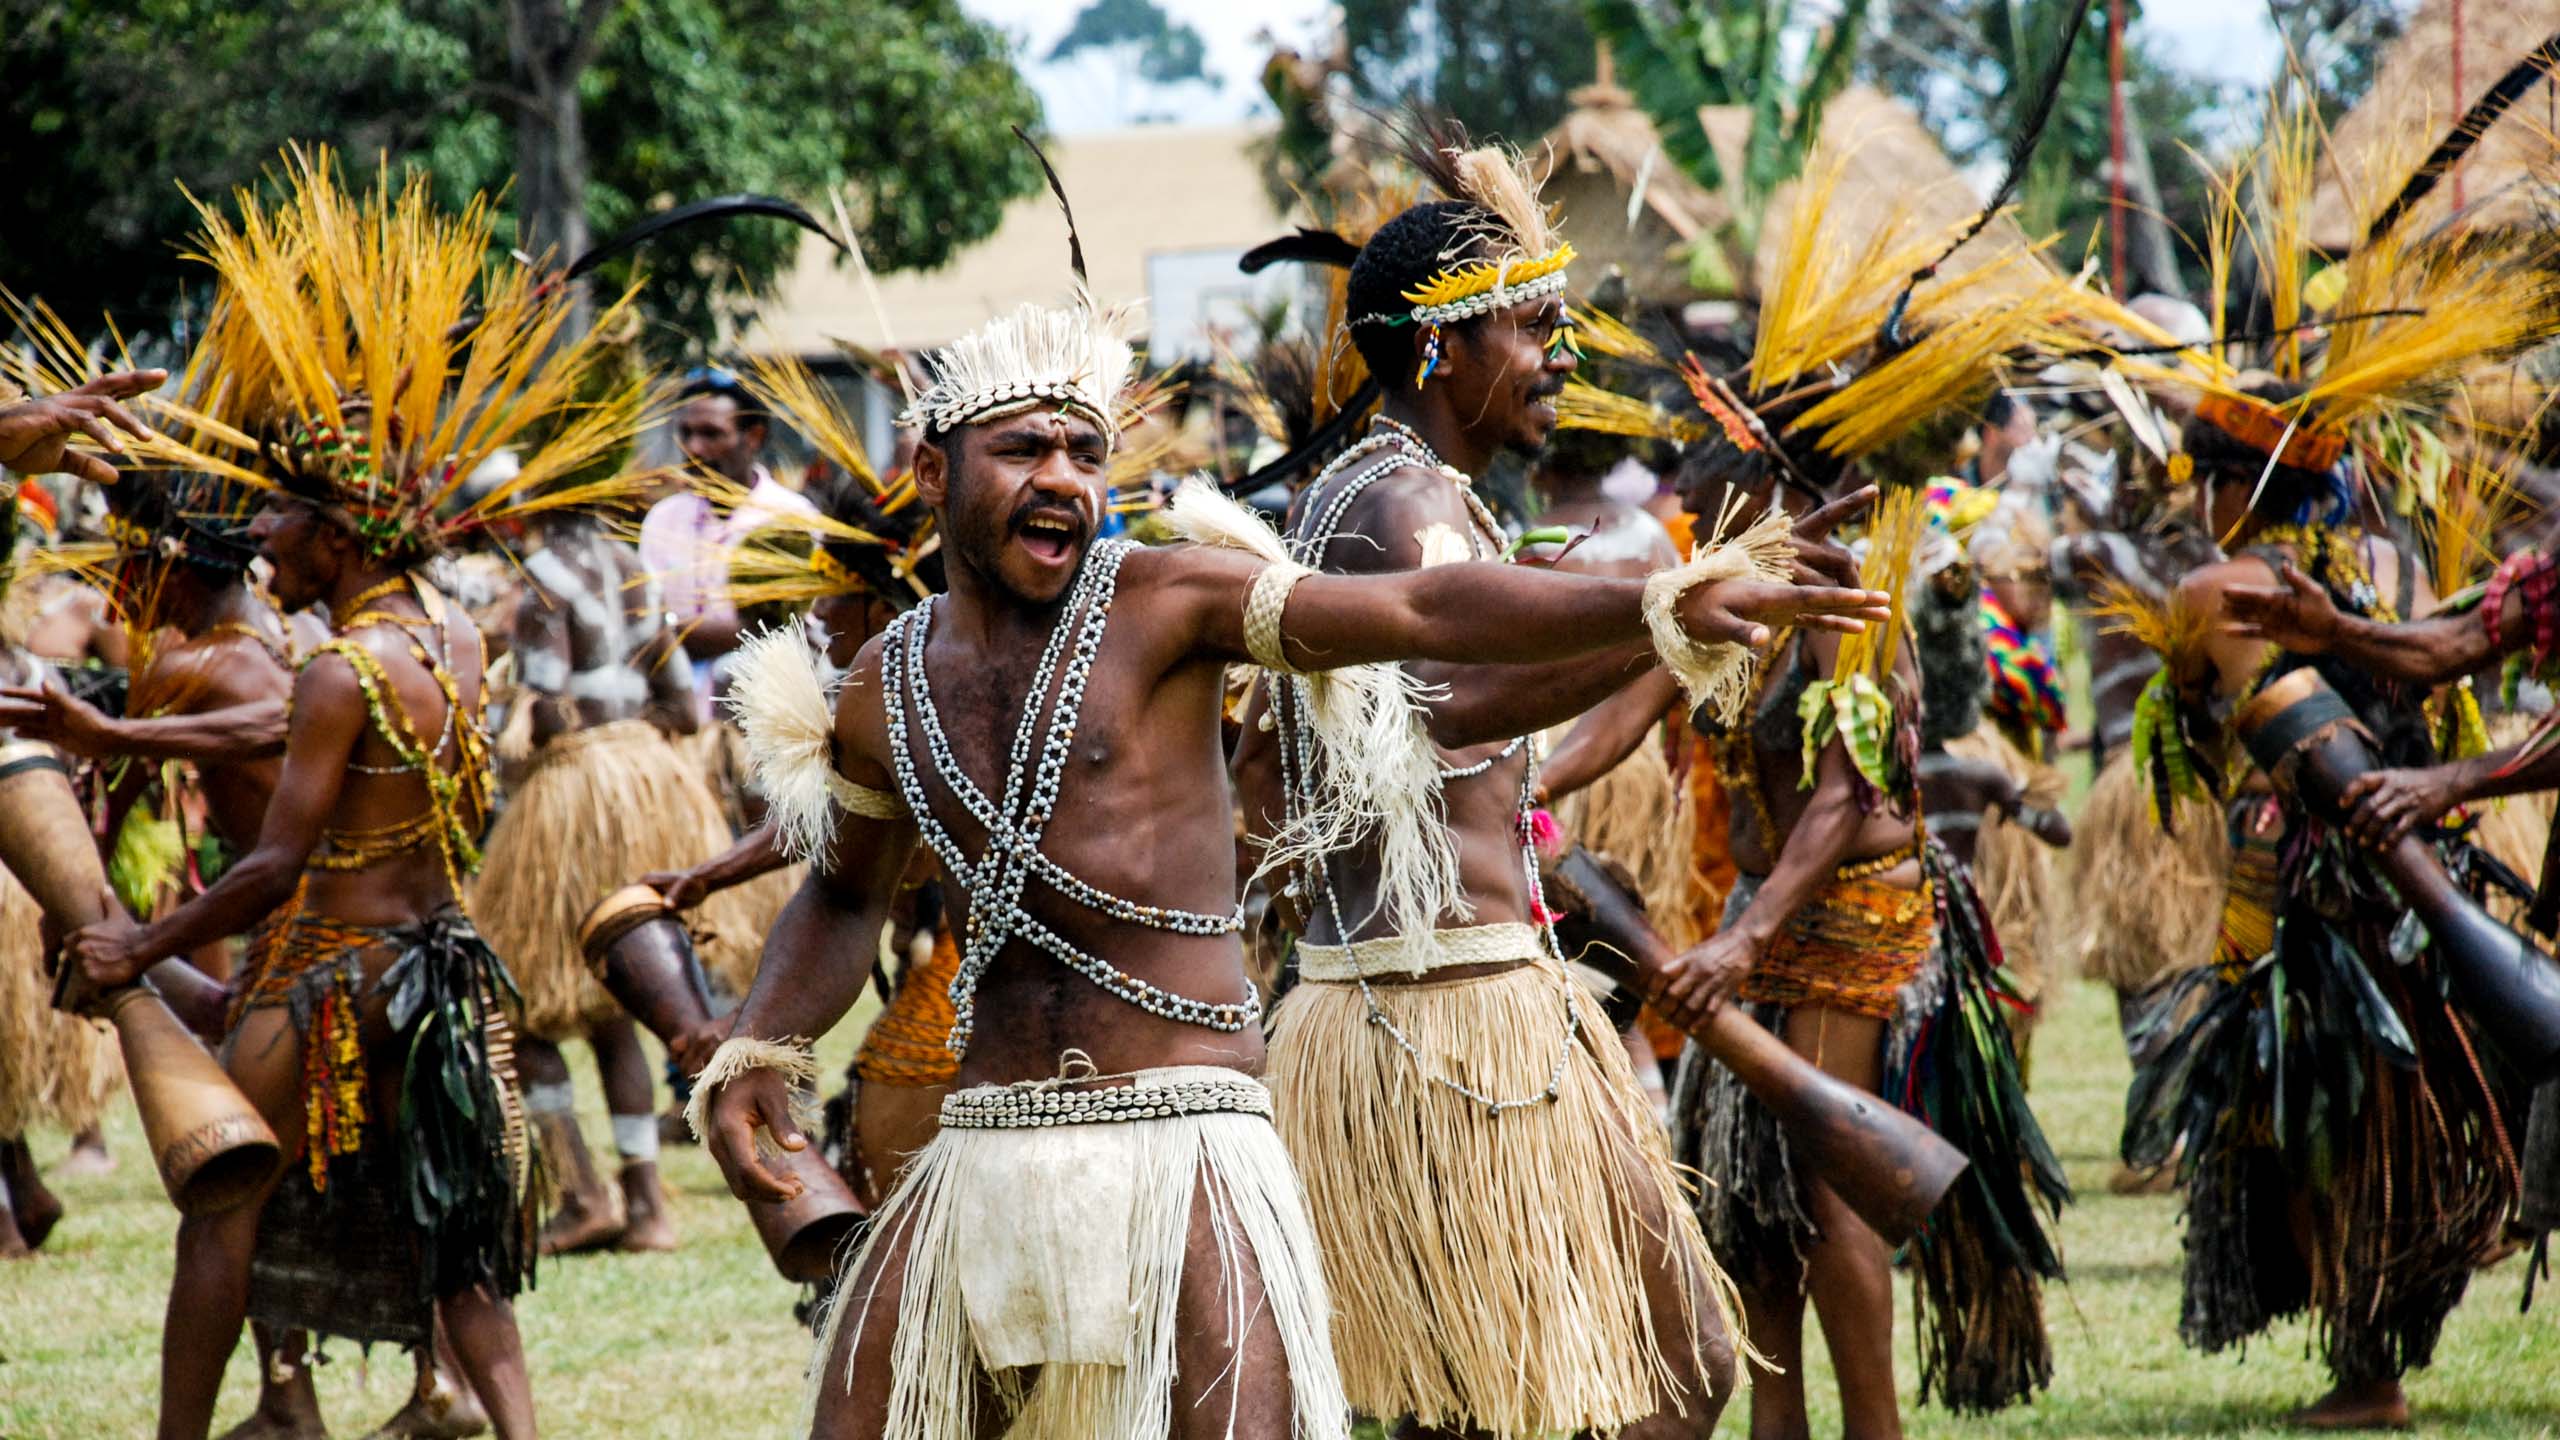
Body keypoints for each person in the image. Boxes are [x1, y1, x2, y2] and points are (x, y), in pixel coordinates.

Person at [691, 290, 1888, 1440]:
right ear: (931, 472)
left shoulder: (1164, 601)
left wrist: (1659, 597)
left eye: (1082, 452)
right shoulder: (880, 688)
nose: (1062, 477)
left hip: (1191, 1137)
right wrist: (759, 1042)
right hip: (986, 1140)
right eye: (1022, 451)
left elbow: (1422, 614)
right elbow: (844, 891)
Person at [58, 151, 663, 1440]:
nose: (263, 539)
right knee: (451, 1224)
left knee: (222, 1207)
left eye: (280, 518)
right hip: (439, 969)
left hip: (326, 970)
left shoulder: (337, 668)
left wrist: (140, 941)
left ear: (338, 535)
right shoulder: (455, 637)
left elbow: (275, 867)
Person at [1229, 133, 1776, 1440]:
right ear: (1441, 351)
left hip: (1467, 997)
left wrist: (1666, 625)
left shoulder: (1411, 494)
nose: (1564, 358)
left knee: (1622, 1372)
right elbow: (1459, 705)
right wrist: (1663, 615)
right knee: (1633, 1374)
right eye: (1535, 328)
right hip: (1434, 1018)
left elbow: (1455, 718)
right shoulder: (1399, 501)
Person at [472, 504, 746, 1257]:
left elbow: (545, 711)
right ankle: (647, 1206)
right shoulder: (632, 569)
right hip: (651, 781)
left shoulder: (544, 585)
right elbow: (683, 708)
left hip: (578, 794)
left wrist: (525, 747)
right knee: (617, 999)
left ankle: (580, 1195)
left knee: (516, 1001)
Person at [638, 369, 818, 700]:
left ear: (753, 437)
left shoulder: (793, 517)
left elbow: (801, 632)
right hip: (674, 719)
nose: (694, 448)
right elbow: (643, 629)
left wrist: (677, 630)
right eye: (687, 433)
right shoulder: (662, 519)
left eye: (711, 434)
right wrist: (747, 629)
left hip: (761, 715)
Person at [1967, 391, 2037, 487]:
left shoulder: (2032, 492)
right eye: (2022, 429)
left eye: (2033, 429)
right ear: (1991, 434)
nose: (2031, 439)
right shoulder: (1955, 487)